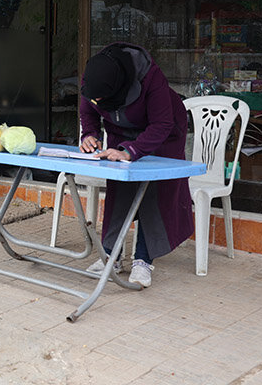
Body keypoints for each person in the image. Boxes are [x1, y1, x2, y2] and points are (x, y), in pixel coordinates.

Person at [78, 42, 193, 287]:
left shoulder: (151, 77)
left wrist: (132, 150)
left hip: (163, 133)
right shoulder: (95, 78)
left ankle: (143, 259)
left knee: (153, 191)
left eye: (102, 98)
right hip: (121, 132)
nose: (97, 100)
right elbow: (87, 111)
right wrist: (89, 134)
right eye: (95, 97)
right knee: (119, 188)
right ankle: (111, 254)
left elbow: (162, 124)